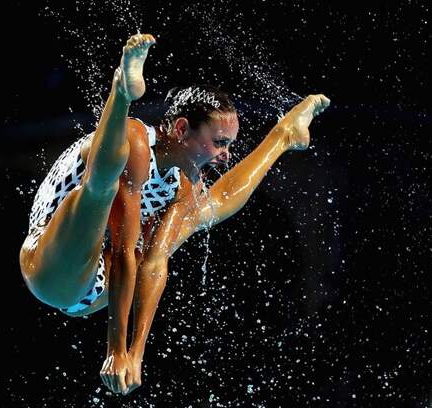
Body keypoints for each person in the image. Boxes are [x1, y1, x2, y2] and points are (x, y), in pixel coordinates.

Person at [19, 33, 330, 395]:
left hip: (95, 292)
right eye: (219, 142)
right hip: (52, 266)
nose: (225, 154)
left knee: (201, 209)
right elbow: (123, 248)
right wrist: (115, 351)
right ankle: (120, 91)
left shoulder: (182, 184)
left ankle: (283, 135)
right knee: (101, 186)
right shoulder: (137, 143)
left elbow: (152, 263)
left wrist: (136, 355)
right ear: (181, 129)